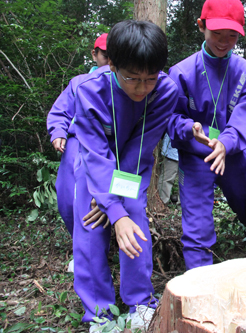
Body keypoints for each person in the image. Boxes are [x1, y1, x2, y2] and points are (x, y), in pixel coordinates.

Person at [71, 20, 178, 332]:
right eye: (132, 79)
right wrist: (106, 204)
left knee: (134, 221)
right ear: (112, 65)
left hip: (131, 168)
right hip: (94, 164)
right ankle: (99, 314)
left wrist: (118, 208)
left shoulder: (165, 91)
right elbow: (94, 154)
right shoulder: (90, 91)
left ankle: (140, 302)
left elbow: (140, 149)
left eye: (150, 79)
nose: (142, 88)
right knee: (90, 224)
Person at [167, 0, 246, 270]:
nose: (224, 42)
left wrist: (226, 143)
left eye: (232, 35)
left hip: (231, 155)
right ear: (201, 26)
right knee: (196, 226)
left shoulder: (245, 72)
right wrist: (189, 128)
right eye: (217, 34)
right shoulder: (181, 72)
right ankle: (200, 285)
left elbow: (244, 118)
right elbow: (171, 117)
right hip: (195, 157)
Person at [47, 33, 109, 239]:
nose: (109, 61)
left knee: (98, 196)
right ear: (94, 54)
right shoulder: (78, 82)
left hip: (105, 146)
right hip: (75, 144)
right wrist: (58, 131)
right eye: (105, 55)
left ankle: (97, 244)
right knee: (67, 196)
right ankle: (79, 240)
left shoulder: (119, 83)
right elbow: (61, 111)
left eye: (113, 56)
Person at [158, 133, 179, 204]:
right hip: (172, 152)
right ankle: (162, 202)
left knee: (186, 181)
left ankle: (184, 206)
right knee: (167, 179)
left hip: (190, 154)